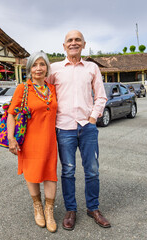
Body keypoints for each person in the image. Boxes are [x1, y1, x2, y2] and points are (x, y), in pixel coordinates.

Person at [47, 30, 111, 230]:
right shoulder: (54, 68)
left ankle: (93, 208)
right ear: (64, 46)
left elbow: (101, 96)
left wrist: (92, 118)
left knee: (92, 170)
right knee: (68, 171)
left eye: (77, 40)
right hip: (63, 128)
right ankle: (70, 210)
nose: (73, 43)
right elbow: (45, 95)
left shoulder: (91, 67)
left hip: (87, 127)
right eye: (69, 40)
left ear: (84, 44)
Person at [7, 51, 58, 233]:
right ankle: (37, 207)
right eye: (34, 65)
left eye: (42, 64)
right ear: (29, 69)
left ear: (47, 68)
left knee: (50, 174)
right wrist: (11, 138)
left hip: (50, 141)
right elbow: (11, 114)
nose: (38, 68)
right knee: (33, 174)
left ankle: (49, 210)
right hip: (29, 142)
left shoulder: (52, 89)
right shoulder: (23, 88)